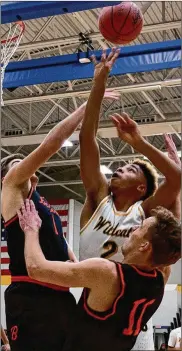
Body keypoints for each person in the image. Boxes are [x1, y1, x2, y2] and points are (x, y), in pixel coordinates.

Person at [78, 49, 181, 350]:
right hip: (91, 308)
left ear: (141, 188)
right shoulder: (97, 197)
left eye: (131, 168)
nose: (120, 167)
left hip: (133, 318)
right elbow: (87, 138)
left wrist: (139, 142)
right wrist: (99, 81)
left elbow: (176, 180)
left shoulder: (146, 215)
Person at [1, 96, 119, 351]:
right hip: (31, 296)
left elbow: (62, 243)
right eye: (15, 164)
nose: (21, 164)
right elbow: (51, 144)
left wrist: (78, 270)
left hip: (60, 294)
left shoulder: (44, 205)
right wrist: (85, 107)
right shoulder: (11, 188)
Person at [17, 199, 181, 351]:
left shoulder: (106, 272)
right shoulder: (162, 276)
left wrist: (30, 229)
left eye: (140, 228)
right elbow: (171, 247)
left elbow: (35, 268)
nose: (133, 229)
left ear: (145, 245)